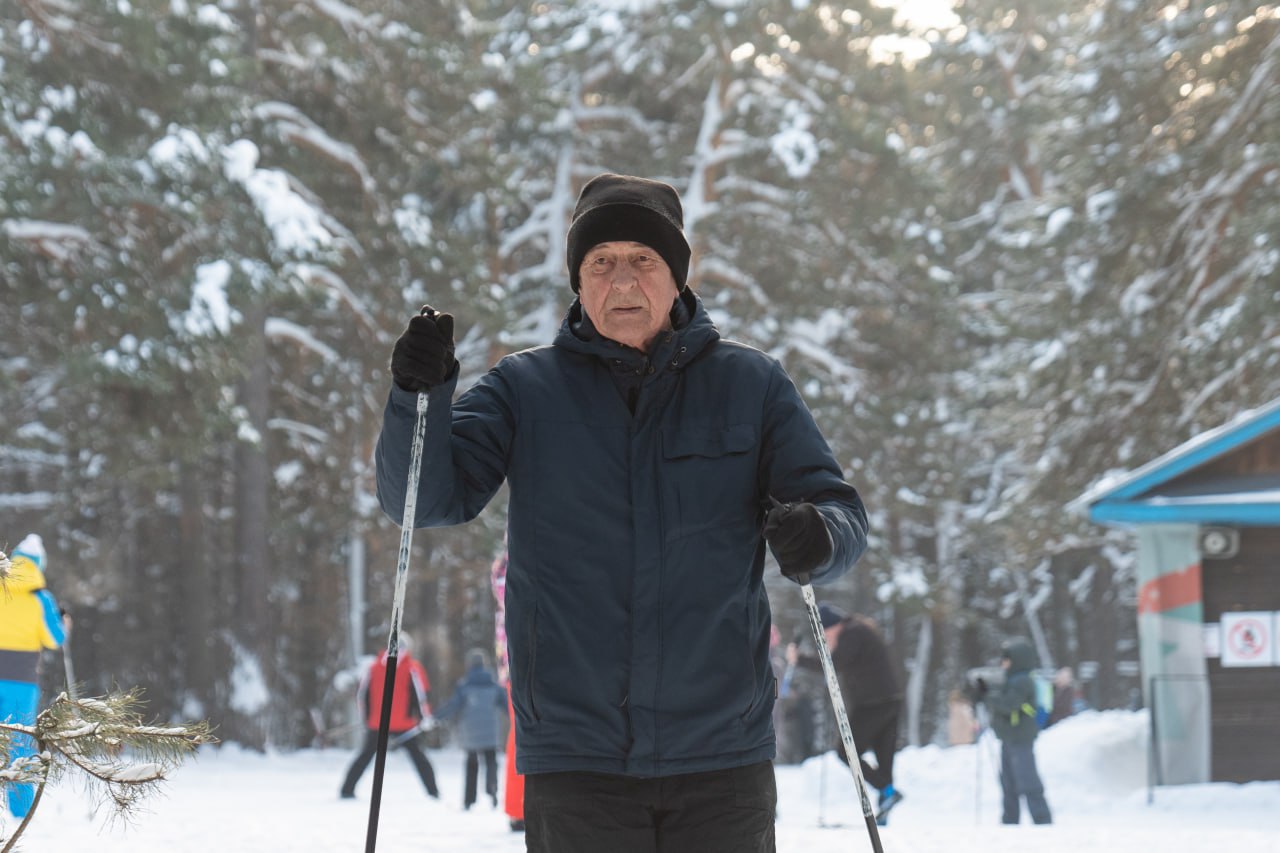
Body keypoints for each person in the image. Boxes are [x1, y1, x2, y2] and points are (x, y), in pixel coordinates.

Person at [376, 172, 869, 852]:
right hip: (577, 757)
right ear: (579, 282)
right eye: (601, 262)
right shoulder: (526, 388)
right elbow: (425, 500)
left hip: (720, 754)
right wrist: (418, 399)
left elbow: (839, 510)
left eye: (643, 259)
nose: (623, 280)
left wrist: (820, 535)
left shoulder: (751, 384)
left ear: (677, 277)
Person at [789, 604, 903, 824]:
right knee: (884, 757)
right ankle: (886, 804)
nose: (825, 639)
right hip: (888, 700)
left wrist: (799, 659)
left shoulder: (852, 633)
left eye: (824, 634)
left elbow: (833, 664)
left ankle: (887, 792)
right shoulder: (858, 630)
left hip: (872, 703)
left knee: (845, 751)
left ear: (832, 626)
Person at [0, 533, 66, 819]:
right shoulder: (41, 598)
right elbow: (55, 638)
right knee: (19, 743)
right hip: (21, 680)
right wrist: (63, 622)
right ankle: (20, 810)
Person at [339, 633, 440, 800]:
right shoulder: (412, 667)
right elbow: (420, 695)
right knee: (419, 758)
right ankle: (433, 792)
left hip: (378, 723)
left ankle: (346, 789)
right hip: (404, 724)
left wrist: (366, 719)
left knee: (365, 756)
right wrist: (424, 717)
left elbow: (362, 696)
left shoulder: (373, 667)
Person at [974, 638, 1052, 825]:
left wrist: (987, 696)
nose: (1003, 663)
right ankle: (1010, 820)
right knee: (1009, 782)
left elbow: (1009, 704)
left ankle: (1041, 820)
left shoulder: (1022, 681)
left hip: (1020, 737)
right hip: (1010, 736)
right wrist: (987, 691)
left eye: (1007, 659)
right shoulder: (1012, 679)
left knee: (1027, 779)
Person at [434, 648, 506, 810]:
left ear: (470, 665)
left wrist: (436, 717)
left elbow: (453, 706)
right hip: (490, 730)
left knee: (471, 763)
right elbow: (507, 705)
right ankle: (492, 787)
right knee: (491, 760)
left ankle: (469, 799)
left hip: (471, 731)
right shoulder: (494, 684)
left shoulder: (464, 685)